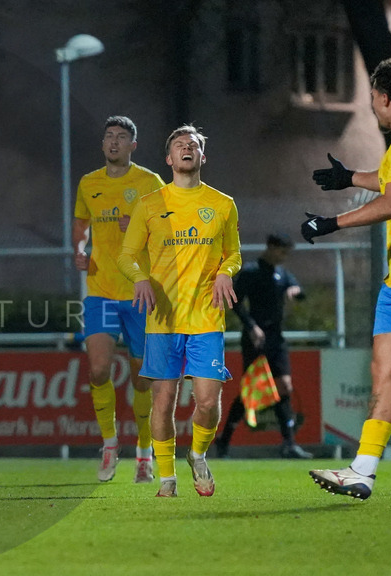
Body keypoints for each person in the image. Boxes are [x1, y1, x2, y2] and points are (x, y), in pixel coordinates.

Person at [117, 125, 241, 498]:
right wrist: (139, 279)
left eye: (194, 145)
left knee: (207, 401)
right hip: (163, 321)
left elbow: (234, 253)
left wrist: (225, 271)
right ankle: (167, 478)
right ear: (169, 159)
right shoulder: (150, 204)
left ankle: (198, 454)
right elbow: (126, 255)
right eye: (179, 145)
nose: (187, 148)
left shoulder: (222, 204)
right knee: (164, 401)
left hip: (205, 317)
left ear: (203, 157)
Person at [303, 55, 391, 500]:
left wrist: (332, 224)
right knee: (383, 371)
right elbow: (388, 184)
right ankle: (363, 470)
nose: (372, 106)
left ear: (384, 97)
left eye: (372, 98)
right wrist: (348, 179)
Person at [74, 116, 165, 483]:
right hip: (100, 291)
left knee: (143, 378)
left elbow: (169, 229)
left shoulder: (149, 182)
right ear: (102, 144)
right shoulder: (89, 183)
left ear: (133, 145)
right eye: (109, 136)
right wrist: (79, 250)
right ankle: (110, 445)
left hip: (140, 293)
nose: (114, 142)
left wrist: (143, 228)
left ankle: (144, 452)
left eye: (121, 137)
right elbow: (80, 227)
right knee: (98, 369)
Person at [214, 233, 312, 459]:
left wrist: (295, 291)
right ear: (270, 247)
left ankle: (289, 443)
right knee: (251, 390)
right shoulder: (251, 272)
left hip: (276, 339)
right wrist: (251, 326)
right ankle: (224, 439)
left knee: (284, 386)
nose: (284, 256)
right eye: (281, 251)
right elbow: (234, 301)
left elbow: (298, 290)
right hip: (255, 338)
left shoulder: (282, 273)